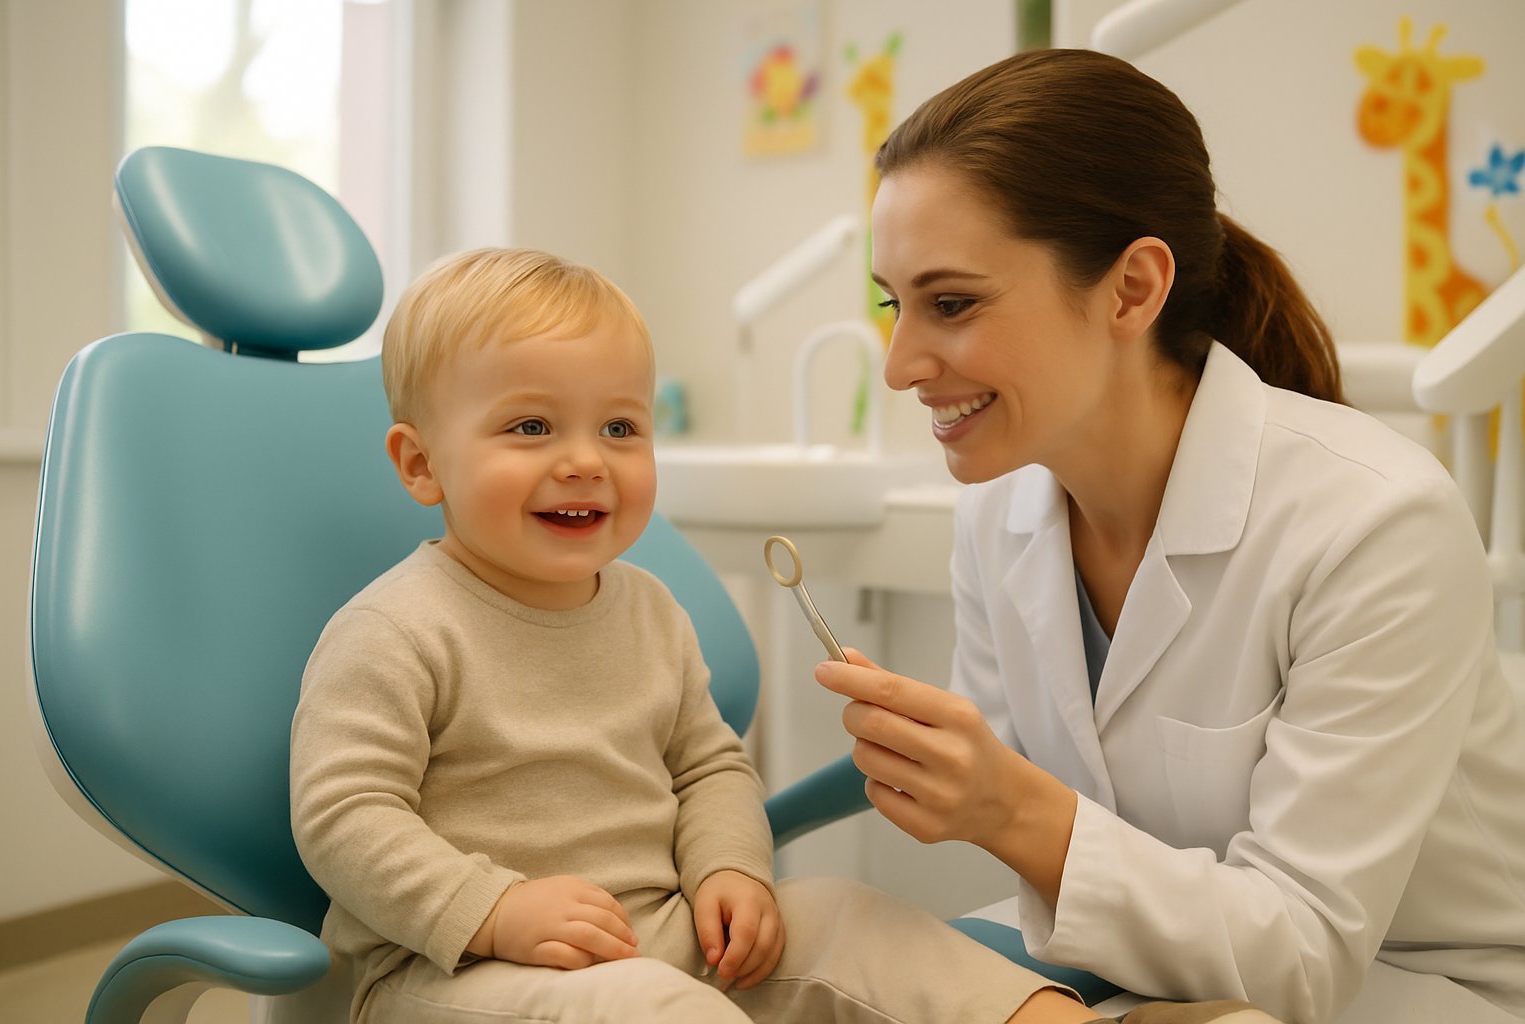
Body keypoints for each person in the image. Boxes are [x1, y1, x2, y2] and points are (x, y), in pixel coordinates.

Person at [289, 247, 1283, 1024]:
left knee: (848, 915)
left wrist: (729, 871)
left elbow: (710, 767)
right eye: (531, 429)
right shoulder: (396, 628)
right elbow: (343, 816)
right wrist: (493, 909)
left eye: (622, 429)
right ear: (421, 465)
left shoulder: (646, 610)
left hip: (662, 935)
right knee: (654, 1008)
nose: (586, 462)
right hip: (456, 973)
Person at [811, 47, 1525, 1024]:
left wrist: (1010, 807)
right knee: (825, 928)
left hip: (1418, 987)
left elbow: (1304, 956)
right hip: (1150, 969)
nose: (899, 366)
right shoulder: (998, 513)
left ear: (1133, 289)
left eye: (952, 303)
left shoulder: (1376, 522)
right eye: (896, 303)